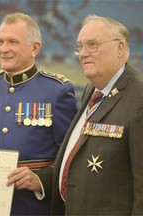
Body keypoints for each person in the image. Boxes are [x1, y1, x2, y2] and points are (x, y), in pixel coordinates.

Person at [0, 12, 77, 216]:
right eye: (0, 42)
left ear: (35, 48)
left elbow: (71, 157)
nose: (4, 49)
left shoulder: (57, 91)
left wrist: (41, 179)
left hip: (34, 208)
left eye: (13, 42)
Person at [52, 15, 143, 215]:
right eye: (80, 47)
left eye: (92, 45)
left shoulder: (139, 97)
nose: (83, 54)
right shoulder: (91, 91)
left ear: (120, 48)